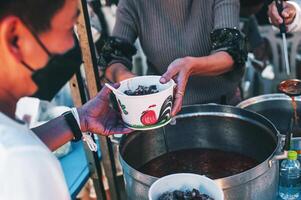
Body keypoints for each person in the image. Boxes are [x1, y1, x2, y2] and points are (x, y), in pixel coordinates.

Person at [0, 0, 131, 199]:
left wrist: (80, 119)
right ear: (14, 38)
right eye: (69, 27)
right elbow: (17, 153)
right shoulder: (23, 162)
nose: (73, 44)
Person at [103, 0, 247, 116]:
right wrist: (138, 86)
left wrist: (191, 66)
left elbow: (231, 52)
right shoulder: (132, 3)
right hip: (163, 113)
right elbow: (112, 59)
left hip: (221, 108)